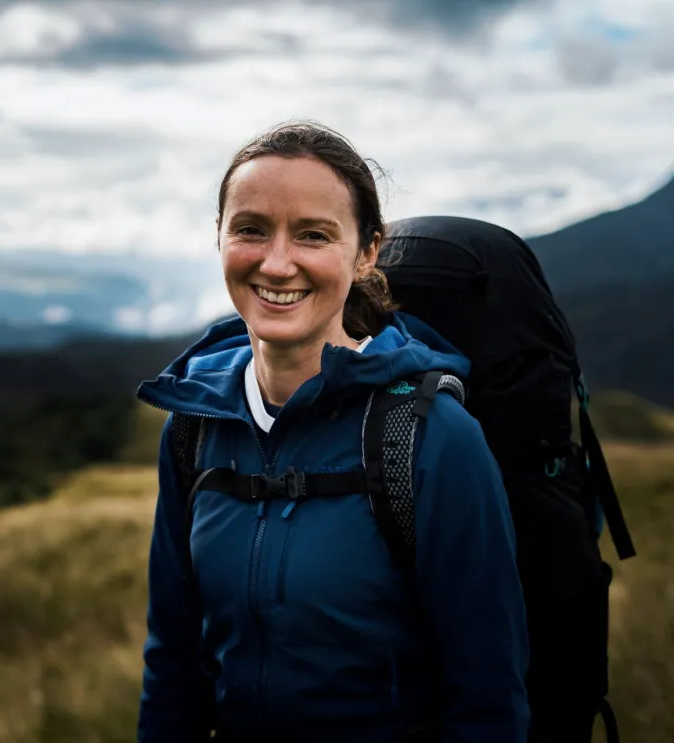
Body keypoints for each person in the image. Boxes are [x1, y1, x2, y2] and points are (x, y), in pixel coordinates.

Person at [135, 121, 531, 743]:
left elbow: (487, 696)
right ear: (219, 236)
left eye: (313, 235)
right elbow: (173, 665)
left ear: (366, 251)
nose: (276, 262)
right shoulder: (194, 427)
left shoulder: (431, 437)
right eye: (250, 229)